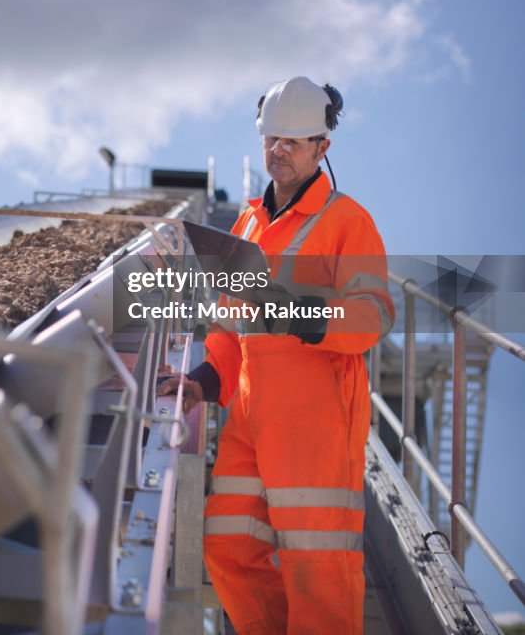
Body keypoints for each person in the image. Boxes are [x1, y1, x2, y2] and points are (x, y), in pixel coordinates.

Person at [158, 76, 393, 634]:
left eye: (293, 141)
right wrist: (202, 383)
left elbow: (372, 316)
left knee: (318, 566)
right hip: (250, 417)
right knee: (225, 545)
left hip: (316, 420)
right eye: (271, 139)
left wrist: (299, 312)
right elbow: (228, 327)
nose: (278, 151)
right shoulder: (246, 223)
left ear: (322, 148)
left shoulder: (346, 221)